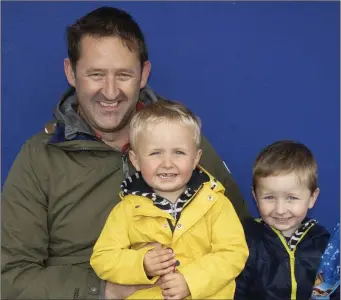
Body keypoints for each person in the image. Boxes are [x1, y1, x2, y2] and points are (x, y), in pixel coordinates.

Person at [1, 6, 249, 300]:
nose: (110, 92)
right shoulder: (39, 158)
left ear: (143, 74)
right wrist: (104, 290)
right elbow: (10, 276)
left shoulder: (181, 139)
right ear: (71, 72)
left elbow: (242, 241)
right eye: (95, 74)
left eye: (123, 75)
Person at [90, 100, 249, 300]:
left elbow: (233, 253)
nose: (167, 163)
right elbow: (102, 258)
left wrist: (191, 281)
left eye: (179, 153)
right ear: (136, 160)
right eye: (155, 153)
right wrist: (142, 263)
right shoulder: (127, 210)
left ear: (196, 158)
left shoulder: (216, 203)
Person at [234, 140, 330, 300]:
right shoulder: (245, 239)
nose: (280, 210)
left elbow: (330, 291)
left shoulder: (323, 243)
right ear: (255, 197)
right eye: (269, 197)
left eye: (291, 198)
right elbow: (234, 291)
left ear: (312, 197)